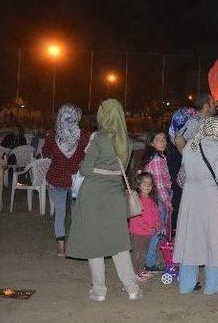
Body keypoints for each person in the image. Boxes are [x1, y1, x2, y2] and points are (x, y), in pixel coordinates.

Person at [67, 99, 142, 301]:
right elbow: (122, 169)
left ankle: (99, 291)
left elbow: (85, 169)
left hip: (93, 194)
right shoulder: (127, 141)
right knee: (118, 243)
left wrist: (85, 160)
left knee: (94, 242)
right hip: (115, 195)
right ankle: (132, 288)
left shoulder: (98, 137)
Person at [173, 116, 218, 295]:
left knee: (190, 237)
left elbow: (182, 175)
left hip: (190, 197)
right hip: (210, 197)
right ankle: (212, 285)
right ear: (216, 130)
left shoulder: (190, 146)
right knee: (212, 237)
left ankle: (186, 284)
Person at [42, 104, 90, 256]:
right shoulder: (82, 135)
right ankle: (76, 245)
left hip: (56, 179)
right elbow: (86, 155)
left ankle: (61, 248)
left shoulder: (52, 135)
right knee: (76, 213)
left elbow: (45, 153)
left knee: (60, 213)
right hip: (76, 180)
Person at [141, 130, 172, 273]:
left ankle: (150, 259)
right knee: (157, 231)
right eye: (159, 139)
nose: (163, 141)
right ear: (152, 143)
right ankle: (149, 262)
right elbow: (159, 184)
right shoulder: (156, 159)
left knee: (158, 231)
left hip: (159, 198)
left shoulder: (160, 157)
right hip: (160, 199)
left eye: (164, 139)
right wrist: (167, 201)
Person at [167, 107, 196, 230]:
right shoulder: (176, 142)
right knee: (177, 197)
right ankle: (174, 227)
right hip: (177, 174)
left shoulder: (178, 141)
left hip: (181, 175)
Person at [128, 172, 161, 281]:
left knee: (144, 253)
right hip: (138, 232)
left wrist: (157, 225)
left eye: (150, 183)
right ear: (139, 185)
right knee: (137, 253)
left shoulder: (151, 201)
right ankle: (134, 273)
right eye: (144, 183)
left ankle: (140, 270)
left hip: (148, 232)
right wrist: (148, 227)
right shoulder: (136, 199)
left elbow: (155, 215)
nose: (147, 185)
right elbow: (138, 218)